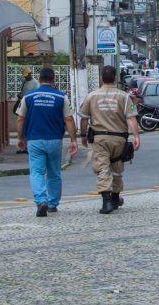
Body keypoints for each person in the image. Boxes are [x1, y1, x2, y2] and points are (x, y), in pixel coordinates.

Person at [16, 67, 78, 216]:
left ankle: (41, 200)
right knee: (54, 173)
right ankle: (52, 204)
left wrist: (20, 138)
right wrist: (73, 139)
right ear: (53, 80)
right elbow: (69, 119)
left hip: (34, 140)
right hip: (54, 140)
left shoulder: (28, 97)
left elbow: (20, 119)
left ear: (39, 79)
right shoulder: (61, 97)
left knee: (36, 172)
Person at [79, 65, 140, 214]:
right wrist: (136, 136)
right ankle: (115, 198)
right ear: (115, 79)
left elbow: (84, 119)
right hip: (119, 138)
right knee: (117, 167)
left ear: (101, 78)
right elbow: (131, 118)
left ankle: (106, 201)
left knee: (103, 168)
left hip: (100, 138)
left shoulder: (91, 96)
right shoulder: (124, 97)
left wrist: (83, 135)